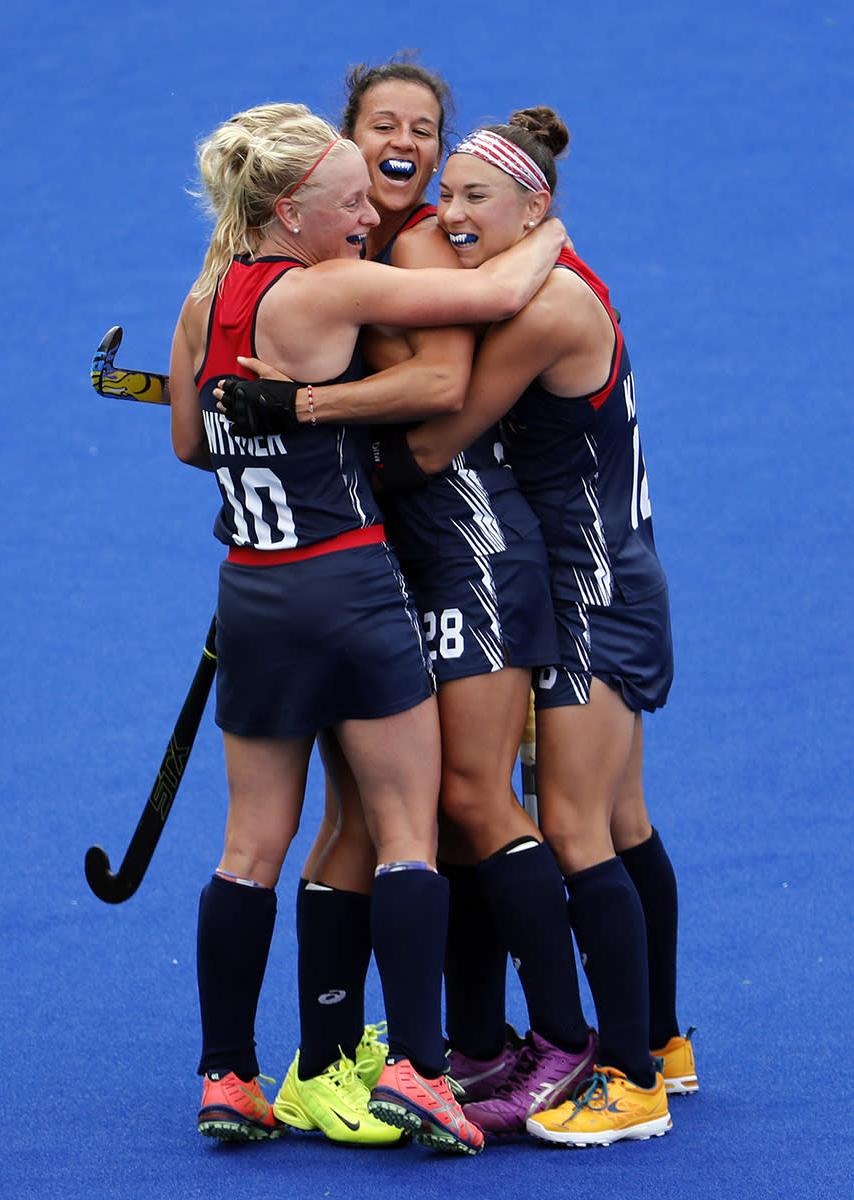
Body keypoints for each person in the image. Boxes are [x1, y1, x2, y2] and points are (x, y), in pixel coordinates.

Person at [168, 101, 568, 1155]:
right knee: (404, 830)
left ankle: (226, 1079)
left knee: (248, 847)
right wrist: (550, 221)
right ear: (290, 208)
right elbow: (493, 290)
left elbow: (185, 441)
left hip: (249, 593)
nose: (366, 216)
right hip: (346, 586)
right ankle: (421, 1075)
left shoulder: (206, 294)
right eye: (347, 202)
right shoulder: (328, 286)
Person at [370, 106, 694, 1145]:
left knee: (572, 825)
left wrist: (308, 424)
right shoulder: (536, 278)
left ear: (535, 207)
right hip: (592, 579)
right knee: (624, 820)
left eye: (476, 198)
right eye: (447, 194)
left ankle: (630, 1075)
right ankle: (665, 1040)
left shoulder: (545, 305)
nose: (451, 213)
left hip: (592, 590)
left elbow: (436, 438)